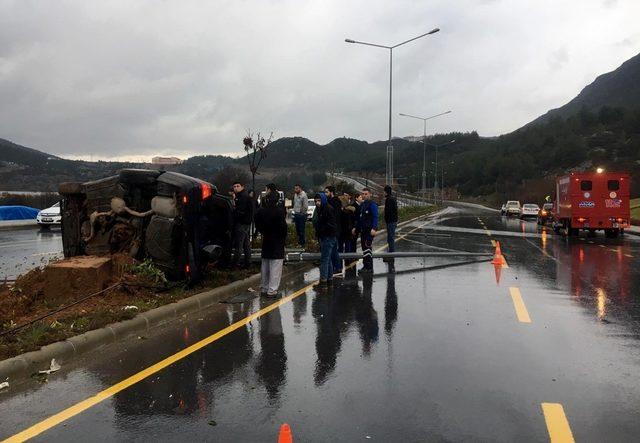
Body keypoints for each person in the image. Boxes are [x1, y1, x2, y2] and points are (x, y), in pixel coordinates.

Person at [254, 192, 288, 297]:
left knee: (265, 266)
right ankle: (272, 290)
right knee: (275, 267)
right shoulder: (279, 212)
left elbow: (257, 223)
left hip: (266, 239)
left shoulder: (261, 211)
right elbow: (283, 227)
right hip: (277, 241)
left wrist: (263, 231)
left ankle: (264, 288)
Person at [312, 192, 337, 289]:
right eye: (316, 201)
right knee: (328, 258)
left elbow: (329, 224)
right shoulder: (321, 209)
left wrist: (321, 230)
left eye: (319, 200)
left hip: (328, 237)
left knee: (324, 259)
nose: (317, 203)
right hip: (325, 236)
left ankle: (323, 282)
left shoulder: (327, 209)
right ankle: (329, 279)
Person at [353, 188, 378, 274]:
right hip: (363, 230)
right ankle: (365, 266)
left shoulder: (372, 205)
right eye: (363, 194)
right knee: (364, 249)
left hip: (369, 230)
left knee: (367, 248)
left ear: (370, 194)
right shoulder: (362, 205)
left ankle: (369, 267)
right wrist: (356, 228)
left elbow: (375, 217)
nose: (364, 195)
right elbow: (360, 219)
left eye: (366, 194)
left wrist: (374, 228)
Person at [232, 181, 253, 268]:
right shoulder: (244, 196)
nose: (236, 188)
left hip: (241, 223)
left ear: (242, 187)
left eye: (237, 186)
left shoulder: (242, 197)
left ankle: (235, 264)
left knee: (239, 244)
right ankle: (248, 262)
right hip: (246, 223)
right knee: (246, 244)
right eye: (234, 186)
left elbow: (240, 211)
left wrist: (235, 213)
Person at [324, 186, 343, 275]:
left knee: (334, 249)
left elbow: (335, 216)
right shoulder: (331, 201)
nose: (325, 194)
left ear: (331, 193)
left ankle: (337, 267)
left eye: (327, 192)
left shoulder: (335, 202)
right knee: (333, 249)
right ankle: (336, 267)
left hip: (334, 229)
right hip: (333, 228)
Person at [292, 184, 308, 249]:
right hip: (296, 214)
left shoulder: (304, 195)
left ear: (300, 188)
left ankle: (302, 243)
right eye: (295, 188)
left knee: (301, 230)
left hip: (301, 215)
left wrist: (301, 212)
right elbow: (295, 203)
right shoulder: (295, 194)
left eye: (297, 188)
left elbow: (305, 206)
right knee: (298, 230)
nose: (295, 190)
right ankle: (299, 242)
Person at [383, 185, 398, 254]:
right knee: (390, 238)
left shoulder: (389, 199)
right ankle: (390, 252)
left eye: (384, 191)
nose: (383, 193)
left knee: (390, 238)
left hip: (391, 222)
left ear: (386, 192)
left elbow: (389, 211)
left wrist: (386, 220)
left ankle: (391, 254)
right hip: (392, 221)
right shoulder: (392, 198)